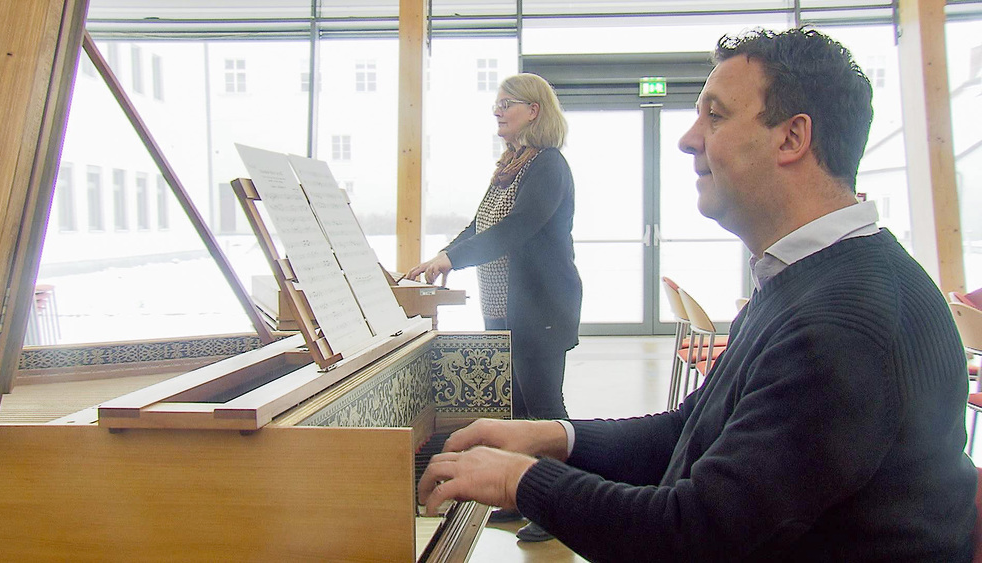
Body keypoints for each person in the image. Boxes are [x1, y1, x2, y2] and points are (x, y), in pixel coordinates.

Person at [417, 27, 977, 562]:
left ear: (792, 137)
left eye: (715, 115)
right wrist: (554, 438)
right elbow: (691, 430)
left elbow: (692, 538)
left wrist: (522, 480)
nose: (688, 140)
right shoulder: (804, 274)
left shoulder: (842, 324)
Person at [407, 72, 582, 542]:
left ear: (534, 111)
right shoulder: (511, 164)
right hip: (506, 308)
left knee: (545, 414)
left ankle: (559, 509)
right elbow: (481, 225)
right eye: (497, 104)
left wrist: (455, 259)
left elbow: (516, 229)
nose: (497, 111)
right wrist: (442, 257)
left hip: (542, 308)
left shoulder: (548, 165)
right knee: (519, 413)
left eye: (507, 103)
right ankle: (524, 495)